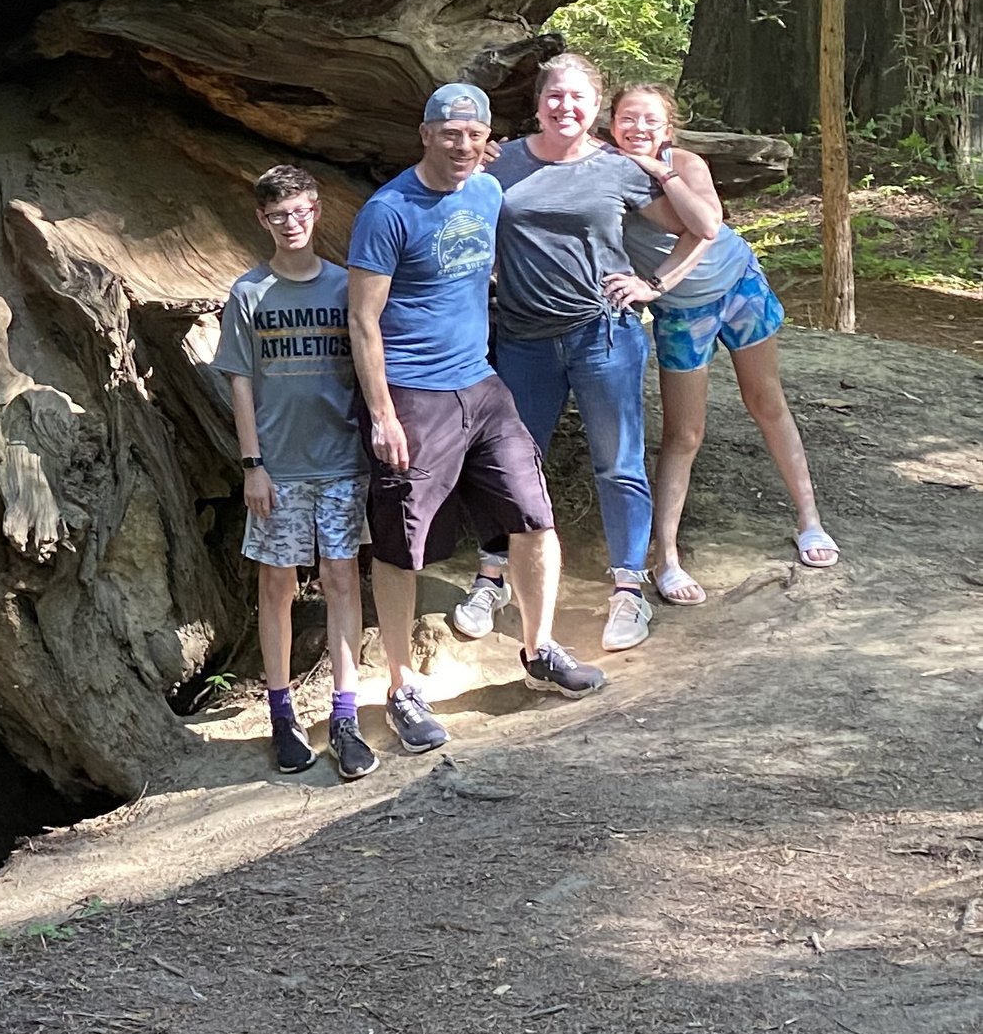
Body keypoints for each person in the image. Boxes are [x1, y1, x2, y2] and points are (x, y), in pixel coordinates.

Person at [346, 81, 605, 740]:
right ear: (427, 134)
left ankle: (538, 650)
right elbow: (363, 319)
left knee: (534, 514)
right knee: (403, 544)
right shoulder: (388, 210)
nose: (463, 145)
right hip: (411, 393)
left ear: (488, 139)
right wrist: (382, 413)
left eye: (475, 134)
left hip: (481, 386)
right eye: (450, 133)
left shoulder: (487, 190)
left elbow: (566, 158)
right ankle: (404, 687)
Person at [446, 51, 721, 655]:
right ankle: (492, 579)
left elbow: (701, 226)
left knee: (617, 463)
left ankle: (629, 590)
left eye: (578, 98)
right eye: (554, 96)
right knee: (513, 463)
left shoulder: (619, 168)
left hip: (605, 335)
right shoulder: (505, 162)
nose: (565, 106)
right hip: (523, 340)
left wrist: (657, 284)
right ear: (538, 102)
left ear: (595, 107)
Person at [609, 80, 840, 593]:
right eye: (628, 118)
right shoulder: (603, 169)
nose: (638, 129)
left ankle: (810, 520)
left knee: (767, 402)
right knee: (684, 434)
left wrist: (663, 177)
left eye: (650, 120)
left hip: (739, 286)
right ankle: (666, 557)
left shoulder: (685, 164)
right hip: (682, 314)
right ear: (612, 124)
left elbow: (707, 226)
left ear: (667, 128)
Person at [214, 162, 376, 781]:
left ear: (317, 211)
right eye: (279, 214)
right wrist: (253, 465)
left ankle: (344, 716)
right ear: (262, 219)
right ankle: (281, 713)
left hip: (341, 461)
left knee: (340, 580)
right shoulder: (249, 293)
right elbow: (240, 380)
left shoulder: (344, 286)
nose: (292, 223)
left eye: (302, 211)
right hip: (277, 469)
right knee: (277, 585)